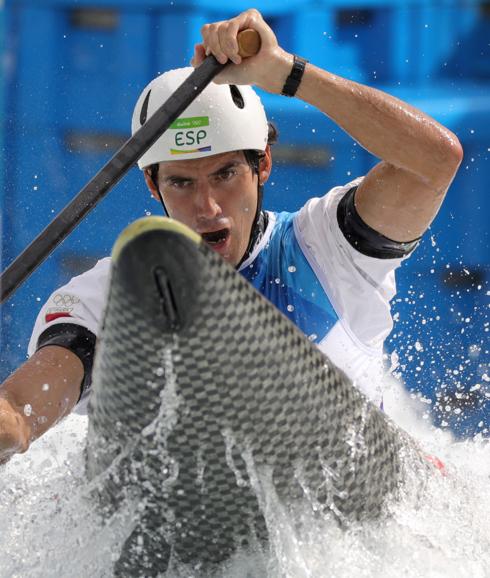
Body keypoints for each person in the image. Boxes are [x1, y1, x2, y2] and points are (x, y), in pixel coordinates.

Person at [0, 9, 462, 464]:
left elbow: (435, 161)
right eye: (181, 183)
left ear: (263, 165)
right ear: (152, 185)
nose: (207, 207)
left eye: (225, 174)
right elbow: (20, 413)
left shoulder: (330, 246)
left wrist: (287, 73)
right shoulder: (111, 293)